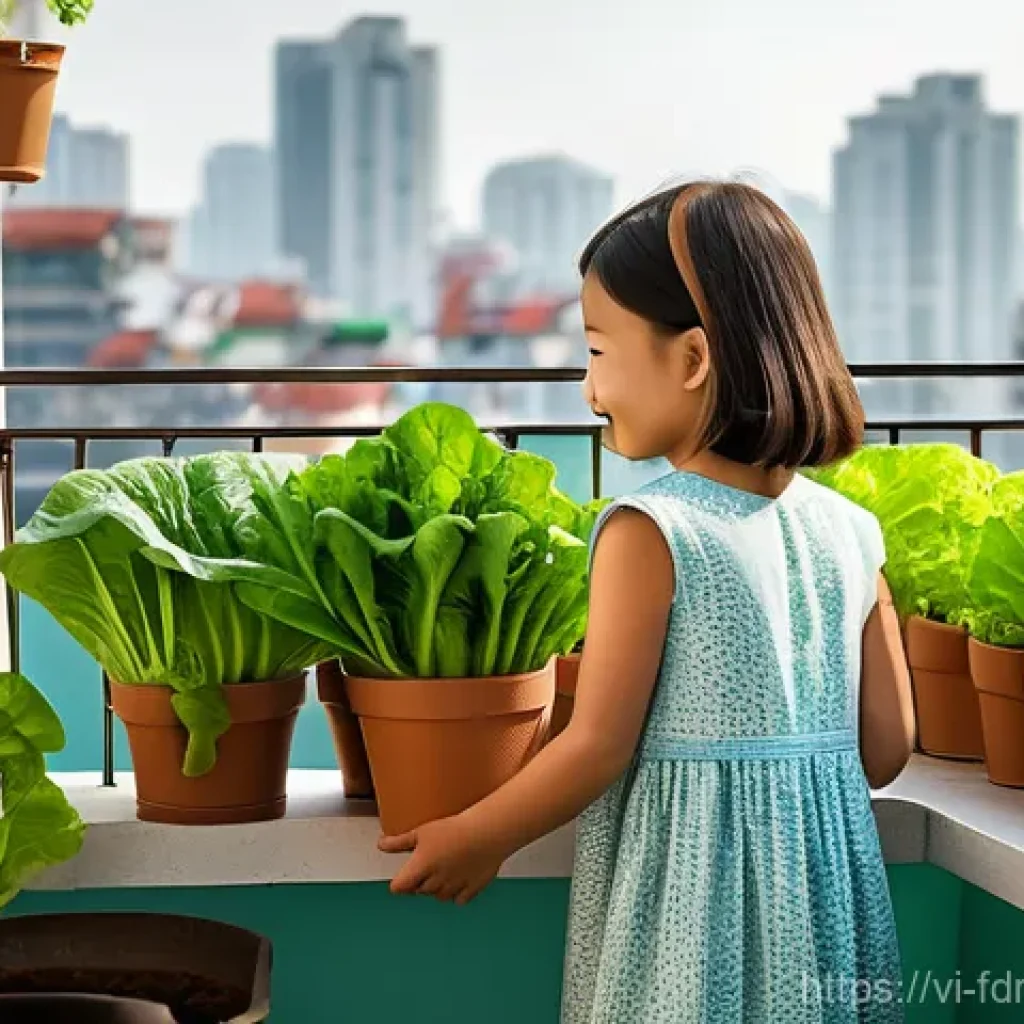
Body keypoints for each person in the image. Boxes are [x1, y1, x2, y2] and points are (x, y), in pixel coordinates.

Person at [379, 180, 916, 1022]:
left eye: (598, 353)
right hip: (827, 913)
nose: (589, 390)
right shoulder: (852, 532)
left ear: (694, 358)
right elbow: (886, 749)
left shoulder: (651, 530)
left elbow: (596, 746)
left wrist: (478, 836)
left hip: (694, 923)